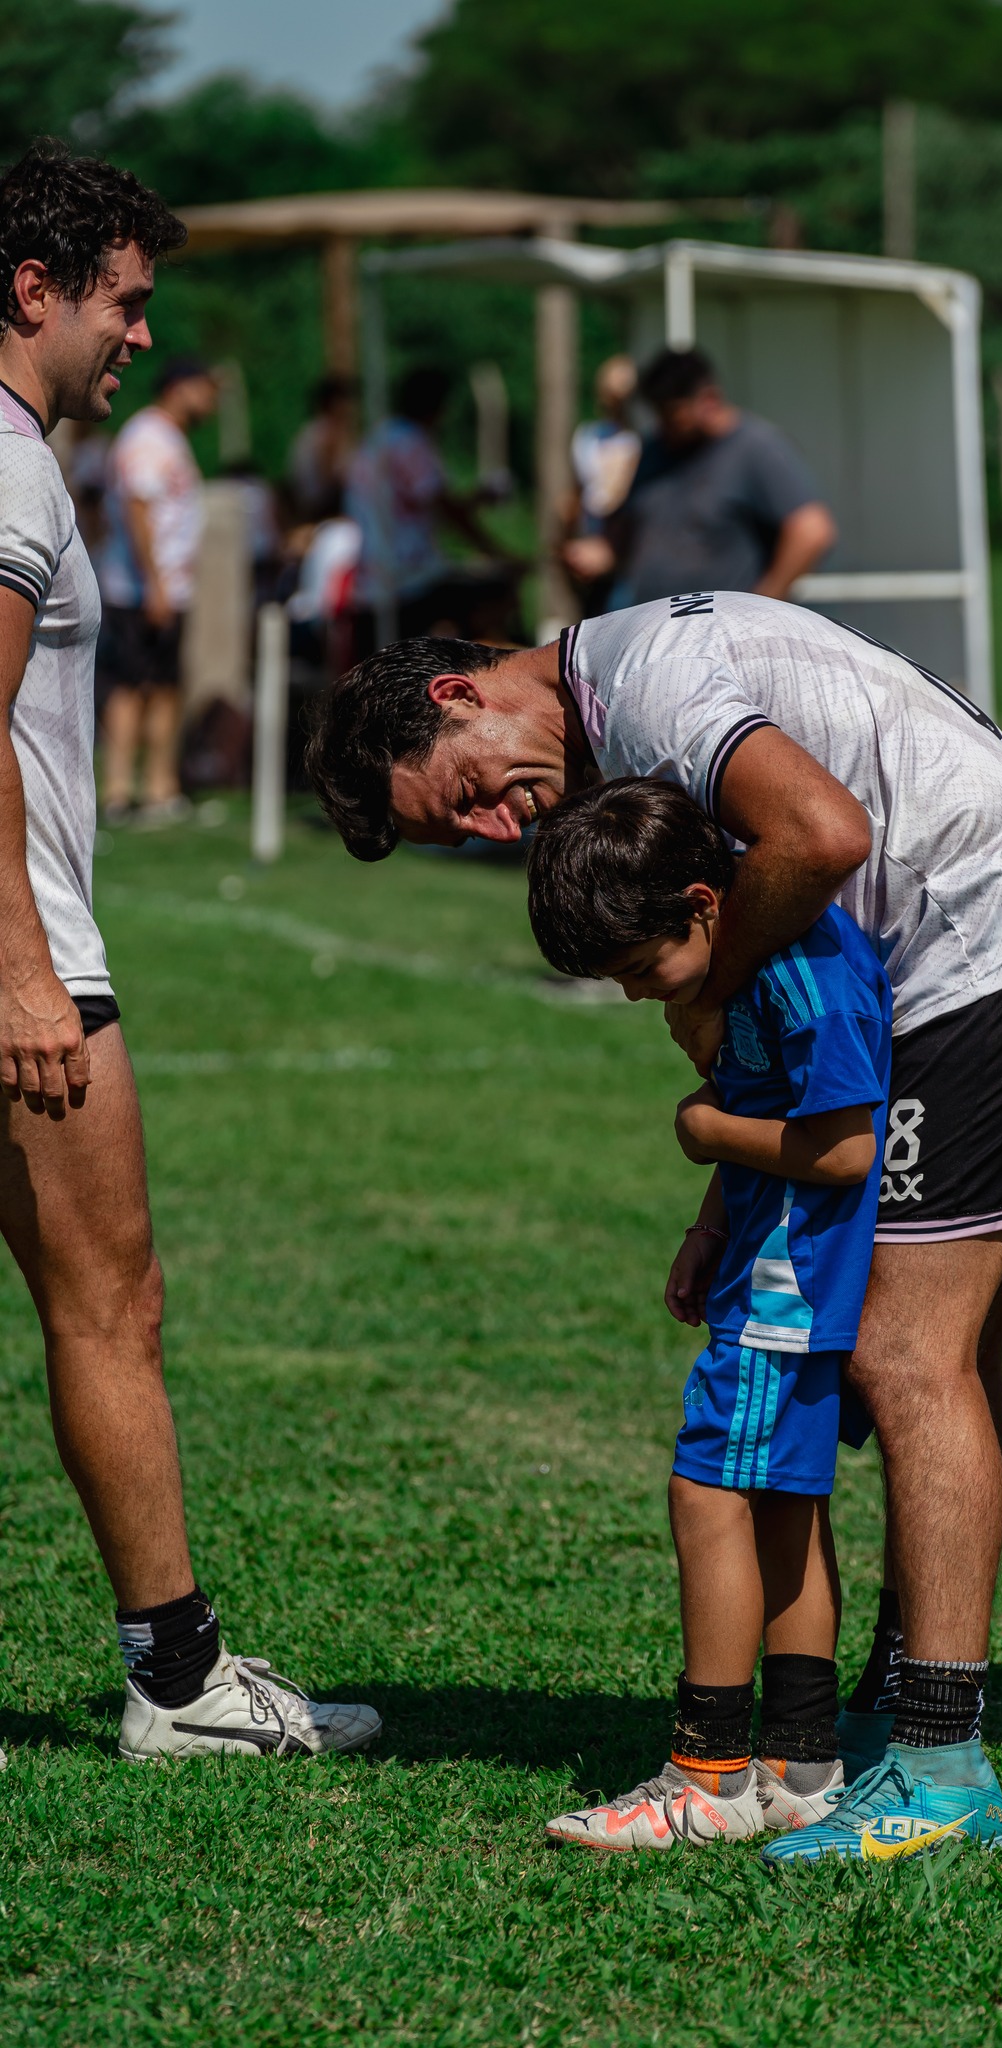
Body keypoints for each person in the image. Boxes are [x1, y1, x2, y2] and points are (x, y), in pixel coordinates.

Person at [306, 590, 1002, 1862]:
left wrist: (714, 1000)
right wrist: (723, 1193)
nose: (495, 822)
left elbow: (822, 835)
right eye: (464, 832)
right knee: (944, 1357)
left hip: (997, 947)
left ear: (455, 694)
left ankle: (937, 1761)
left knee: (905, 1359)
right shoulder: (620, 692)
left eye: (465, 793)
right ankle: (897, 1706)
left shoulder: (649, 683)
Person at [0, 139, 379, 1760]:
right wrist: (21, 969)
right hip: (26, 958)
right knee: (112, 1302)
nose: (140, 339)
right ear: (34, 290)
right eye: (125, 304)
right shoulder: (11, 462)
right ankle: (181, 1682)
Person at [526, 778, 891, 1850]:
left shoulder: (795, 972)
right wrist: (705, 1227)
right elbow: (770, 1103)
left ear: (702, 900)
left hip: (788, 1288)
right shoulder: (764, 952)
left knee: (707, 1489)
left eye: (643, 968)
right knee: (785, 1506)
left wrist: (701, 1130)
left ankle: (708, 1771)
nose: (643, 996)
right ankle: (800, 1762)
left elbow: (844, 1149)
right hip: (774, 1268)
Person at [562, 347, 836, 608]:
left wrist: (762, 605)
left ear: (709, 400)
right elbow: (629, 533)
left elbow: (812, 531)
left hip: (721, 639)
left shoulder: (755, 448)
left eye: (672, 416)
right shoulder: (654, 450)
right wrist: (604, 552)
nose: (663, 427)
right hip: (653, 631)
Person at [97, 353, 217, 825]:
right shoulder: (148, 436)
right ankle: (119, 789)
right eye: (205, 389)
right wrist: (155, 583)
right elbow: (137, 509)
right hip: (140, 589)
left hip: (164, 587)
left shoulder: (169, 438)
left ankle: (160, 789)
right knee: (131, 687)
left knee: (166, 686)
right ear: (179, 387)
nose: (210, 401)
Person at [345, 362, 520, 655]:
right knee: (495, 597)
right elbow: (448, 511)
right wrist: (498, 553)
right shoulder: (411, 443)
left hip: (372, 577)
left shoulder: (377, 439)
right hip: (407, 577)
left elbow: (423, 504)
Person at [562, 354, 641, 617]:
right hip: (593, 532)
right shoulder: (589, 436)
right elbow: (576, 494)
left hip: (630, 539)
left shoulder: (644, 440)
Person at [288, 372, 358, 523]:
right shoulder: (329, 434)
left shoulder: (310, 431)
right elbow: (331, 481)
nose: (351, 407)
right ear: (334, 403)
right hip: (324, 515)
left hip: (309, 510)